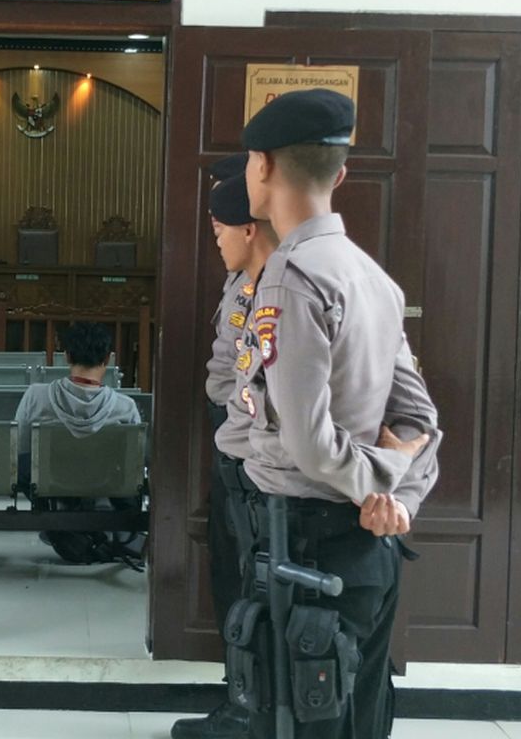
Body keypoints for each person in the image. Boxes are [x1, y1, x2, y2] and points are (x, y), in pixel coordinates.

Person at [233, 89, 442, 739]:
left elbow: (310, 442)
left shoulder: (291, 277)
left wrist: (378, 483)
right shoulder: (372, 277)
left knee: (302, 722)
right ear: (341, 173)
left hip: (307, 544)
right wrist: (399, 496)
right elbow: (420, 420)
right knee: (361, 717)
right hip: (370, 549)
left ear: (261, 166)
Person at [173, 170, 278, 739]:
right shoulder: (242, 278)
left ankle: (251, 708)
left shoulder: (278, 285)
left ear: (248, 225)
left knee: (250, 578)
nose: (214, 238)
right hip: (230, 434)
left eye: (218, 227)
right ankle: (240, 696)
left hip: (255, 448)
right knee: (232, 572)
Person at [14, 322, 144, 565]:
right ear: (107, 358)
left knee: (24, 464)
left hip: (50, 481)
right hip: (104, 482)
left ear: (67, 356)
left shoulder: (36, 395)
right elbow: (134, 463)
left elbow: (20, 448)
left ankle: (59, 515)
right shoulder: (125, 406)